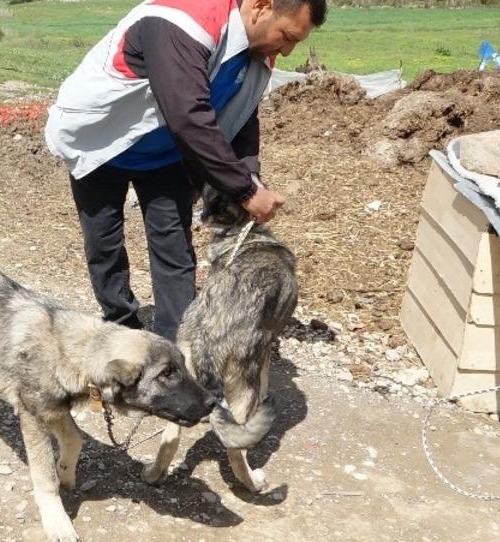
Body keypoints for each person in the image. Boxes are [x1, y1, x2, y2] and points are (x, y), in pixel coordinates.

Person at [45, 0, 325, 340]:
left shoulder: (257, 54)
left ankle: (175, 350)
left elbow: (241, 120)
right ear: (262, 7)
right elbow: (188, 115)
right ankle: (121, 328)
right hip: (100, 141)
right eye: (287, 36)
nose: (288, 51)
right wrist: (246, 191)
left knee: (173, 247)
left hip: (164, 153)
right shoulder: (182, 20)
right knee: (104, 243)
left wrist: (249, 175)